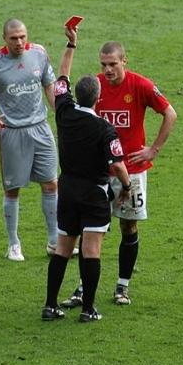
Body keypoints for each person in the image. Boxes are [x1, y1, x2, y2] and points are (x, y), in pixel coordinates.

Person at [61, 40, 177, 309]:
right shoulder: (95, 87)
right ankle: (82, 288)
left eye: (113, 64)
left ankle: (122, 286)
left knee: (128, 226)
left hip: (132, 171)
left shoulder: (141, 85)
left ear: (125, 61)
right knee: (90, 231)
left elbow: (169, 113)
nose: (108, 70)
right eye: (103, 65)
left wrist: (154, 150)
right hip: (99, 174)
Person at [42, 25, 131, 323]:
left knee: (63, 248)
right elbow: (118, 165)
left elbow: (60, 80)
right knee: (91, 249)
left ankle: (50, 305)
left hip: (66, 189)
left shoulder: (64, 112)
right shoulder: (105, 129)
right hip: (93, 192)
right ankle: (88, 309)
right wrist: (128, 185)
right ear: (98, 96)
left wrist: (71, 46)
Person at [0, 19, 59, 261]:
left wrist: (61, 110)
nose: (19, 42)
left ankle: (54, 241)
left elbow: (49, 84)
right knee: (13, 189)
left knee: (51, 184)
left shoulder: (38, 54)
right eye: (14, 38)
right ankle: (13, 244)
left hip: (41, 129)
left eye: (23, 36)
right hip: (12, 133)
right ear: (4, 39)